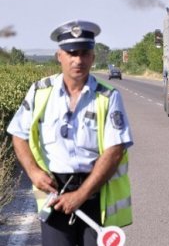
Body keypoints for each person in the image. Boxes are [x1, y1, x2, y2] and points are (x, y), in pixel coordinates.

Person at [7, 20, 134, 246]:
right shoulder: (39, 92)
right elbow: (19, 134)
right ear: (59, 56)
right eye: (71, 53)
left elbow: (115, 151)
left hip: (94, 191)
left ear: (93, 58)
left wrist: (81, 195)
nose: (78, 60)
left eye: (84, 53)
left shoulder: (108, 96)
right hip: (53, 193)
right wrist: (34, 172)